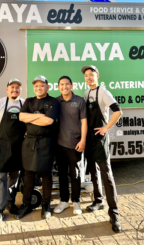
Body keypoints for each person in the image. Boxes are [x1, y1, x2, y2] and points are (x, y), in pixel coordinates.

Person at [81, 65, 123, 233]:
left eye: (91, 74)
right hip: (89, 138)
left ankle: (114, 214)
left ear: (97, 76)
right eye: (86, 75)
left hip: (100, 137)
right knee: (93, 170)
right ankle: (98, 200)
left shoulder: (103, 92)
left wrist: (106, 128)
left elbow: (118, 111)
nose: (89, 77)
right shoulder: (86, 94)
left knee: (106, 174)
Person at [13, 75, 59, 220]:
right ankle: (25, 205)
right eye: (36, 86)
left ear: (47, 87)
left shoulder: (53, 101)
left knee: (46, 174)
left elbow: (49, 120)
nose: (38, 88)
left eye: (41, 85)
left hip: (47, 143)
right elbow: (21, 117)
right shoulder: (29, 101)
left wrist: (31, 116)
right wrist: (39, 117)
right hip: (30, 143)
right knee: (28, 175)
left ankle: (46, 206)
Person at [0, 78, 26, 225]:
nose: (14, 90)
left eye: (17, 87)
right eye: (12, 87)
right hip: (2, 145)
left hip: (19, 146)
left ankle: (10, 202)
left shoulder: (24, 103)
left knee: (14, 177)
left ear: (20, 90)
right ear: (7, 89)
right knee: (0, 177)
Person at [54, 76, 87, 215]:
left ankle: (76, 202)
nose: (64, 87)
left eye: (67, 84)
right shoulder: (55, 102)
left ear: (72, 86)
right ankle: (63, 201)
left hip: (75, 144)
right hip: (60, 144)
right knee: (62, 174)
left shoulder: (79, 101)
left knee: (75, 174)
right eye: (61, 84)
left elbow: (84, 122)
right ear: (58, 87)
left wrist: (83, 140)